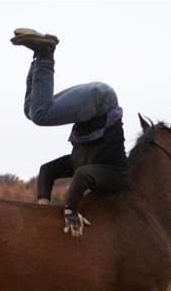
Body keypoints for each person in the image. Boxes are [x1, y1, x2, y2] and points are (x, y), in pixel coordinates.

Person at [11, 28, 129, 237]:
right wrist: (70, 210)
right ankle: (45, 53)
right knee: (40, 114)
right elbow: (84, 175)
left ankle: (39, 55)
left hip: (94, 97)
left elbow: (46, 170)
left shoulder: (77, 161)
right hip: (101, 100)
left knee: (32, 111)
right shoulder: (118, 175)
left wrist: (43, 207)